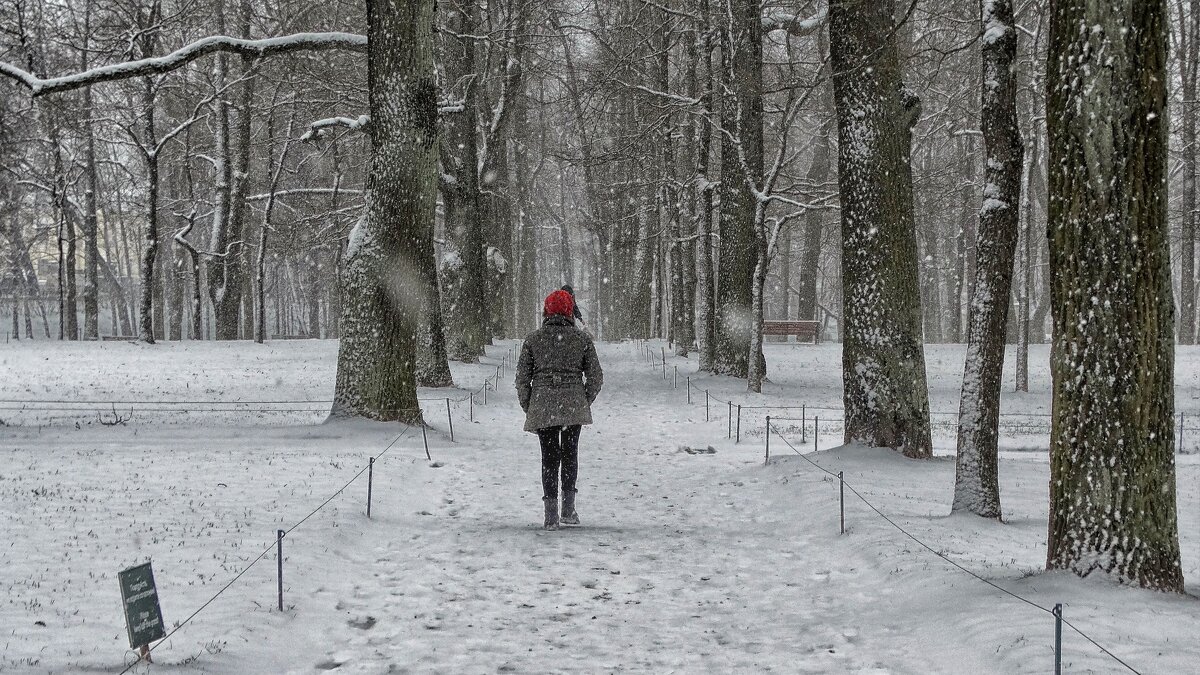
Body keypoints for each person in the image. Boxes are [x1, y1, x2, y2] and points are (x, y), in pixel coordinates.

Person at [515, 289, 604, 530]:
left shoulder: (533, 340)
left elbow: (522, 380)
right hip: (573, 404)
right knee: (570, 454)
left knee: (549, 458)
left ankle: (550, 515)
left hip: (543, 404)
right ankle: (568, 509)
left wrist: (530, 406)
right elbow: (595, 376)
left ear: (546, 311)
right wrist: (582, 399)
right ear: (569, 311)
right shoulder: (582, 339)